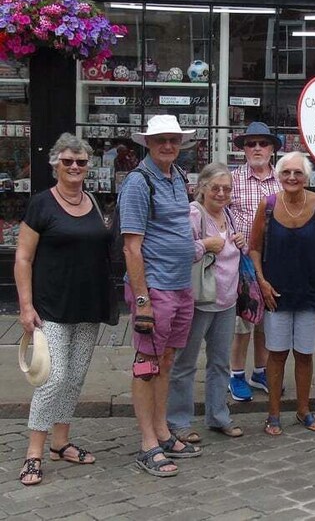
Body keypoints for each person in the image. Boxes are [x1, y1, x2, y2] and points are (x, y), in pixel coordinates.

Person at [14, 134, 113, 486]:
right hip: (50, 306)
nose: (74, 167)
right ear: (55, 163)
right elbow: (23, 257)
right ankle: (34, 453)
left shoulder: (94, 202)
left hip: (87, 304)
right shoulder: (42, 204)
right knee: (52, 378)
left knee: (74, 378)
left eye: (81, 162)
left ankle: (60, 442)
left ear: (89, 166)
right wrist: (25, 306)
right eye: (68, 161)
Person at [120, 115, 202, 478]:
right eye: (160, 140)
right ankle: (147, 443)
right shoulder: (139, 183)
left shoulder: (177, 176)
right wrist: (142, 301)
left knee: (166, 360)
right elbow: (131, 248)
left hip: (181, 285)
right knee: (146, 364)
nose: (167, 145)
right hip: (154, 288)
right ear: (148, 143)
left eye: (173, 140)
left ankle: (163, 431)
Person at [249, 152, 315, 436]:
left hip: (310, 291)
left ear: (307, 177)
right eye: (286, 173)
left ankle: (303, 409)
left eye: (298, 173)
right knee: (277, 353)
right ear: (278, 176)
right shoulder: (268, 205)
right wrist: (261, 281)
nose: (292, 178)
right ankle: (273, 413)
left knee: (305, 353)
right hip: (277, 292)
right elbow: (254, 248)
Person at [166, 163, 246, 443]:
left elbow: (233, 251)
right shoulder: (193, 214)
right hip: (198, 301)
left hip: (227, 300)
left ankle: (218, 416)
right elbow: (179, 252)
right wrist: (205, 245)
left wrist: (239, 240)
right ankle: (178, 421)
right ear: (202, 188)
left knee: (220, 363)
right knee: (185, 363)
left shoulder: (229, 215)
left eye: (227, 189)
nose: (222, 193)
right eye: (216, 188)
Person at [228, 122, 283, 402]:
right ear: (244, 150)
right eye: (252, 144)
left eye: (263, 143)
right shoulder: (233, 180)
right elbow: (217, 215)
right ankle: (236, 374)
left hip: (274, 261)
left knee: (267, 321)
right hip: (241, 263)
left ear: (272, 149)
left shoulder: (283, 180)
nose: (257, 148)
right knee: (243, 323)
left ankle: (260, 371)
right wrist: (229, 236)